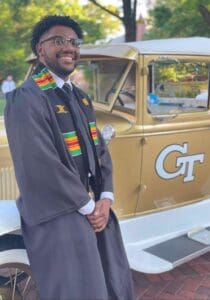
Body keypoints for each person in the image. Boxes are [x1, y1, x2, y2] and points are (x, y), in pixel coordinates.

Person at [4, 15, 134, 300]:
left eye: (74, 42)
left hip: (92, 204)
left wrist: (105, 198)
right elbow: (40, 164)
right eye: (58, 40)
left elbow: (99, 148)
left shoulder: (80, 96)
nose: (69, 47)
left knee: (110, 279)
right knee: (79, 288)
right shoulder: (27, 98)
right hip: (57, 209)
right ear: (40, 49)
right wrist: (88, 207)